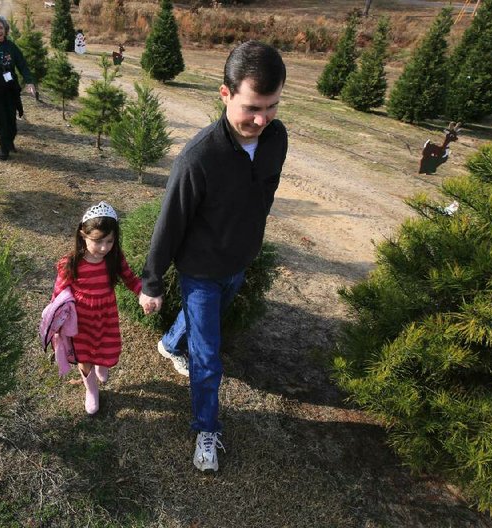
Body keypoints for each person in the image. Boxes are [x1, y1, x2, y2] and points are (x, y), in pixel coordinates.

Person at [138, 41, 288, 472]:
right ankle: (206, 428)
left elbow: (266, 190)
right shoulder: (198, 158)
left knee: (208, 323)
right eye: (252, 108)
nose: (261, 120)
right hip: (200, 269)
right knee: (208, 356)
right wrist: (151, 282)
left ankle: (170, 344)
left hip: (238, 263)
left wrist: (249, 237)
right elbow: (170, 222)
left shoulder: (276, 139)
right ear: (225, 94)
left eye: (272, 106)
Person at [52, 201, 143, 415]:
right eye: (98, 241)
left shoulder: (114, 259)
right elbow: (58, 293)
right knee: (84, 355)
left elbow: (131, 279)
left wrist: (142, 292)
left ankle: (102, 363)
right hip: (80, 320)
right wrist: (55, 318)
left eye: (110, 241)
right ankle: (91, 389)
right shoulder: (71, 263)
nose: (104, 247)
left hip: (106, 315)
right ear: (83, 235)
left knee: (106, 347)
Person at [0, 15, 37, 160]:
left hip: (10, 89)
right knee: (1, 119)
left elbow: (22, 65)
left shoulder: (12, 47)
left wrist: (29, 82)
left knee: (11, 119)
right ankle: (4, 148)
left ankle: (9, 140)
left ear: (5, 30)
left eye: (1, 28)